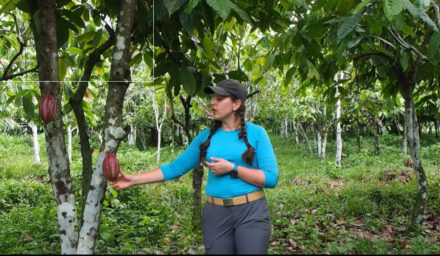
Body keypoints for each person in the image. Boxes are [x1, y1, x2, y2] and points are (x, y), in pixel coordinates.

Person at [111, 79, 279, 254]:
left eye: (220, 98)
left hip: (250, 213)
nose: (213, 102)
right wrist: (132, 179)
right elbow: (175, 168)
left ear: (236, 104)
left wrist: (233, 168)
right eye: (213, 97)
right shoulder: (206, 137)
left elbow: (271, 178)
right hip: (215, 214)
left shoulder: (257, 133)